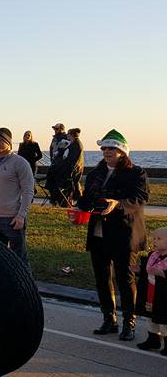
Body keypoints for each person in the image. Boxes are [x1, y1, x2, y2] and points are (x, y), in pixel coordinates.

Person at [79, 129, 149, 341]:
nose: (107, 151)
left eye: (112, 148)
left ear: (122, 152)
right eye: (104, 148)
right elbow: (86, 201)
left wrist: (117, 204)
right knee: (102, 278)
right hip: (99, 233)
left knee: (125, 279)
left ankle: (129, 322)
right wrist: (78, 207)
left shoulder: (136, 173)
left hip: (124, 235)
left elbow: (140, 198)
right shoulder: (95, 173)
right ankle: (109, 319)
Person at [0, 128, 35, 265]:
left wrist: (21, 215)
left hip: (13, 218)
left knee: (19, 258)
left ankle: (24, 284)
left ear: (8, 142)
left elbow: (28, 191)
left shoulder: (20, 163)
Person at [133, 227, 167, 353]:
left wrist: (163, 273)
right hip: (150, 293)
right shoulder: (152, 256)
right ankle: (153, 339)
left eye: (159, 239)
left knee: (163, 320)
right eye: (154, 239)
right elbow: (147, 272)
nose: (155, 241)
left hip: (163, 296)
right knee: (151, 317)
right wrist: (139, 271)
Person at [65, 128, 85, 203]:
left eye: (68, 133)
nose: (67, 135)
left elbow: (74, 158)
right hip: (76, 167)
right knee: (74, 184)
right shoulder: (74, 143)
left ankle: (79, 201)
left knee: (75, 184)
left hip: (75, 168)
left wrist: (71, 168)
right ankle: (73, 200)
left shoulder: (76, 144)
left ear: (72, 135)